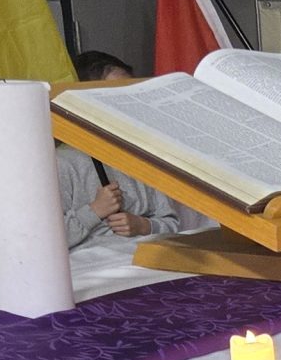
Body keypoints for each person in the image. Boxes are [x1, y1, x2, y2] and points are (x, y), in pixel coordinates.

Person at [56, 50, 193, 245]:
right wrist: (94, 210)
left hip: (149, 259)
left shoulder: (141, 154)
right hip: (92, 267)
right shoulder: (61, 162)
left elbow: (171, 223)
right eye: (116, 95)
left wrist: (143, 226)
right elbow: (44, 242)